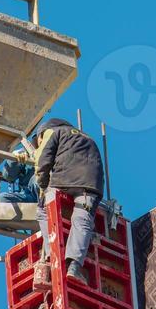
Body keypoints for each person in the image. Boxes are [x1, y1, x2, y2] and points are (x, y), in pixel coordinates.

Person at [34, 118, 104, 284]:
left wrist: (43, 186)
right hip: (90, 186)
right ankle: (74, 268)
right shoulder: (89, 138)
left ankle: (52, 255)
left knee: (43, 210)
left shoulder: (53, 131)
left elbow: (42, 160)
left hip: (63, 180)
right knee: (82, 220)